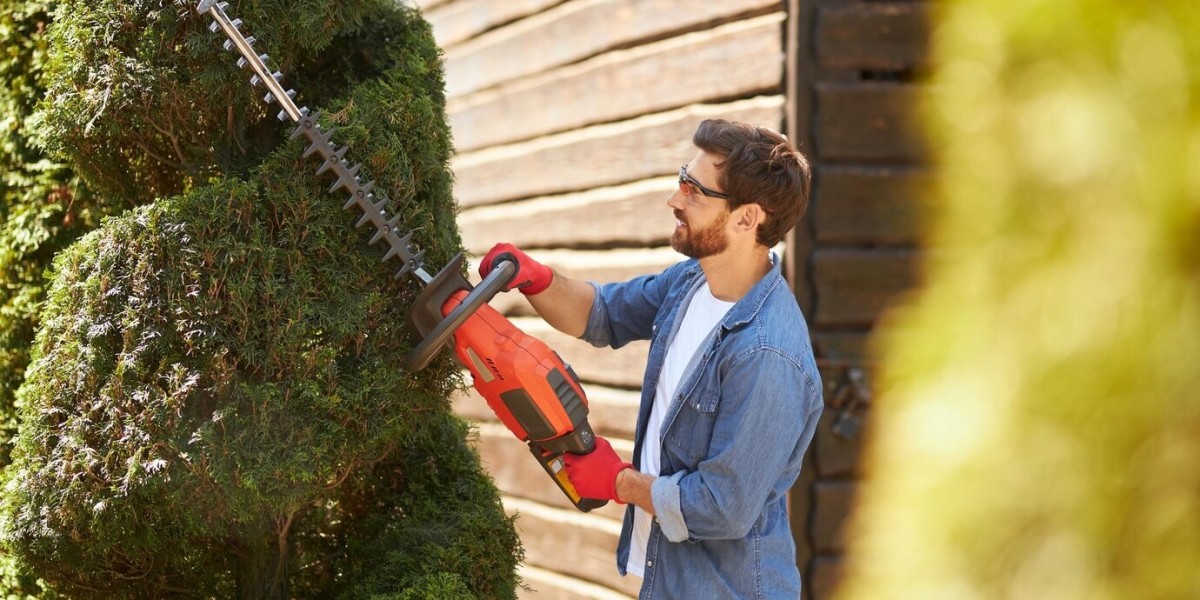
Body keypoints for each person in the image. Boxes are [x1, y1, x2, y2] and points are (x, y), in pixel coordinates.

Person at [479, 119, 823, 599]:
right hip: (670, 579)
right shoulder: (692, 283)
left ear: (748, 219)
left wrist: (621, 483)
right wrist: (537, 279)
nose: (675, 200)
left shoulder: (766, 353)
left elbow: (722, 507)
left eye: (695, 191)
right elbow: (600, 314)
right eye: (683, 178)